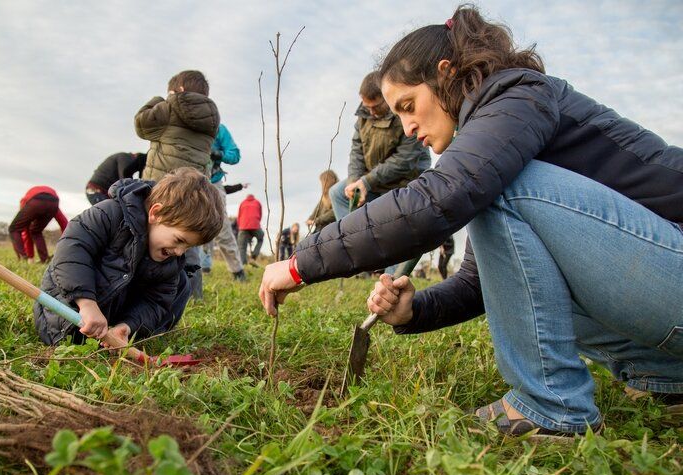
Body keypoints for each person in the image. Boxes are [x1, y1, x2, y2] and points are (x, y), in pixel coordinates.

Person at [259, 5, 683, 439]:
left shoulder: (519, 95)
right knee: (491, 193)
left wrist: (301, 263)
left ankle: (551, 406)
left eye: (408, 106)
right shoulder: (501, 131)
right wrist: (412, 311)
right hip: (662, 292)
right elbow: (493, 283)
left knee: (491, 186)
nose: (407, 128)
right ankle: (668, 374)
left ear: (446, 73)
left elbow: (441, 198)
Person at [34, 167, 223, 346]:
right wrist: (87, 304)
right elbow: (72, 251)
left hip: (108, 321)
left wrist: (128, 326)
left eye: (189, 246)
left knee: (182, 281)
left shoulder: (171, 260)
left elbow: (155, 301)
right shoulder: (109, 214)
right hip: (66, 315)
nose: (180, 251)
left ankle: (122, 334)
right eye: (179, 240)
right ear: (155, 213)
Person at [134, 70, 220, 299]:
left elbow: (141, 124)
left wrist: (162, 99)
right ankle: (192, 296)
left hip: (160, 185)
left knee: (147, 237)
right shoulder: (211, 117)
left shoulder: (168, 108)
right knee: (188, 242)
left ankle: (142, 291)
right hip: (193, 190)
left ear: (178, 90)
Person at [329, 71, 431, 221]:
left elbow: (405, 159)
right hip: (374, 181)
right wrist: (355, 182)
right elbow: (356, 152)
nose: (371, 112)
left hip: (403, 180)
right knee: (338, 193)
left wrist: (366, 182)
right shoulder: (363, 117)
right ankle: (352, 240)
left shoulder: (403, 113)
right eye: (367, 106)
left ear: (386, 97)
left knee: (390, 216)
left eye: (375, 106)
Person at [202, 123, 248, 281]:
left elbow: (234, 154)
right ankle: (197, 268)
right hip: (184, 179)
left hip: (213, 182)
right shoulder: (177, 121)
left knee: (221, 226)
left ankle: (237, 272)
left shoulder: (218, 128)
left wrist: (218, 154)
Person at [9, 185, 69, 263]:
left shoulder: (25, 202)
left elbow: (26, 230)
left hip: (35, 200)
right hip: (54, 201)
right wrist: (70, 241)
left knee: (14, 229)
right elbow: (64, 222)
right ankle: (45, 259)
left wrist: (30, 256)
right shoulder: (51, 203)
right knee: (36, 231)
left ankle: (24, 258)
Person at [237, 193, 264, 266]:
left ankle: (243, 263)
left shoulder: (242, 203)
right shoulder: (257, 202)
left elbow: (239, 216)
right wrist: (256, 223)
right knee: (260, 239)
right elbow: (260, 215)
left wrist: (240, 227)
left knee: (242, 246)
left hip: (243, 227)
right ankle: (253, 257)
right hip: (255, 226)